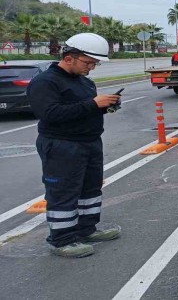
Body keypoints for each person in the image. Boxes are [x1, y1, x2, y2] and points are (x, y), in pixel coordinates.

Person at [27, 33, 122, 258]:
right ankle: (62, 240)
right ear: (69, 58)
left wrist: (105, 106)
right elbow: (50, 114)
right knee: (63, 192)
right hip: (62, 145)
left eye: (95, 63)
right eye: (88, 63)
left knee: (90, 189)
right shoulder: (45, 82)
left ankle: (86, 229)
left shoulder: (84, 82)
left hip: (89, 142)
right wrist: (93, 104)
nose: (92, 67)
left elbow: (83, 109)